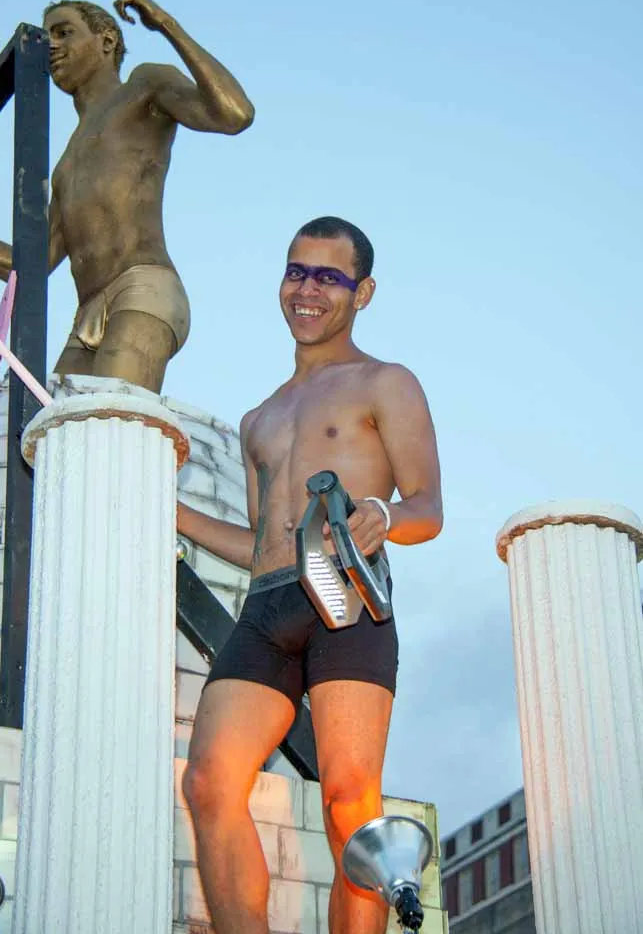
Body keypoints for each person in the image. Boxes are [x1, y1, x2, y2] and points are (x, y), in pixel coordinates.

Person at [177, 215, 443, 934]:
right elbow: (262, 543)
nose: (308, 289)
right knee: (208, 782)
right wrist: (174, 514)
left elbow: (427, 508)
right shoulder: (258, 418)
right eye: (297, 272)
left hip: (348, 601)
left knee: (349, 802)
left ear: (363, 293)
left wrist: (383, 515)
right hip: (265, 610)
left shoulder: (385, 383)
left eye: (329, 277)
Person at [0, 0, 254, 393]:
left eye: (64, 32)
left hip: (141, 290)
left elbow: (235, 113)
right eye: (47, 35)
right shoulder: (67, 163)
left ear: (106, 40)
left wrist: (166, 25)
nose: (51, 45)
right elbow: (31, 264)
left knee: (112, 422)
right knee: (47, 428)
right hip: (86, 315)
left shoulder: (143, 86)